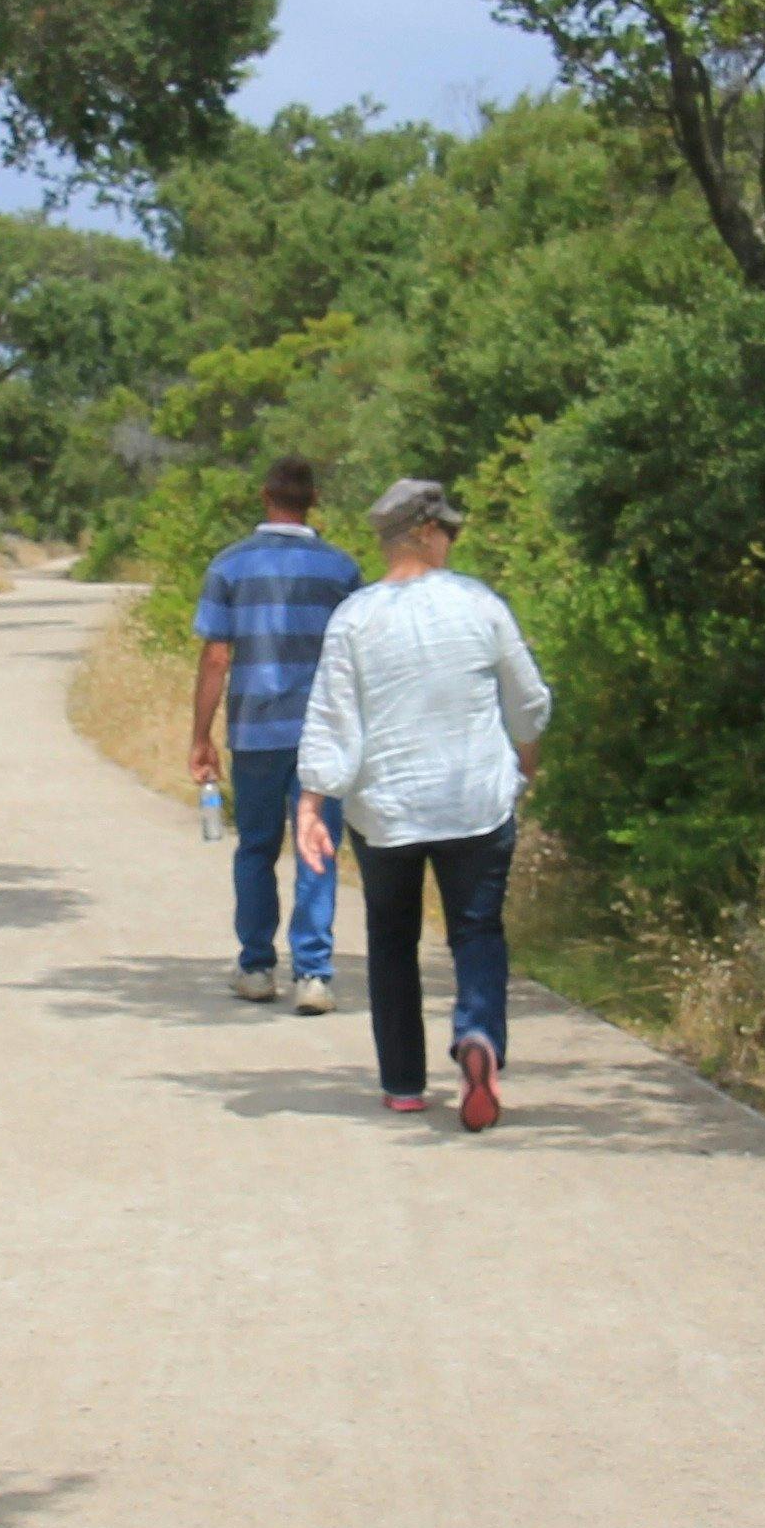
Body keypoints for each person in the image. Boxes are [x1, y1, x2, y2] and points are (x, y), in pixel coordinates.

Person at [294, 478, 552, 1130]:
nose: (451, 543)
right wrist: (526, 755)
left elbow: (331, 718)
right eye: (449, 532)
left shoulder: (355, 617)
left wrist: (311, 801)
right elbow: (526, 697)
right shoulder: (479, 604)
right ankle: (478, 1037)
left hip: (388, 812)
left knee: (391, 938)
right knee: (476, 929)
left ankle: (405, 1083)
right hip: (475, 802)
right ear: (427, 532)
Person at [186, 455, 353, 1010]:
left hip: (256, 732)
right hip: (321, 735)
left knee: (256, 849)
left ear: (265, 496)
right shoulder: (341, 571)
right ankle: (314, 974)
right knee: (317, 849)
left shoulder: (231, 566)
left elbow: (215, 658)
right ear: (313, 499)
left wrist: (200, 735)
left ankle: (257, 966)